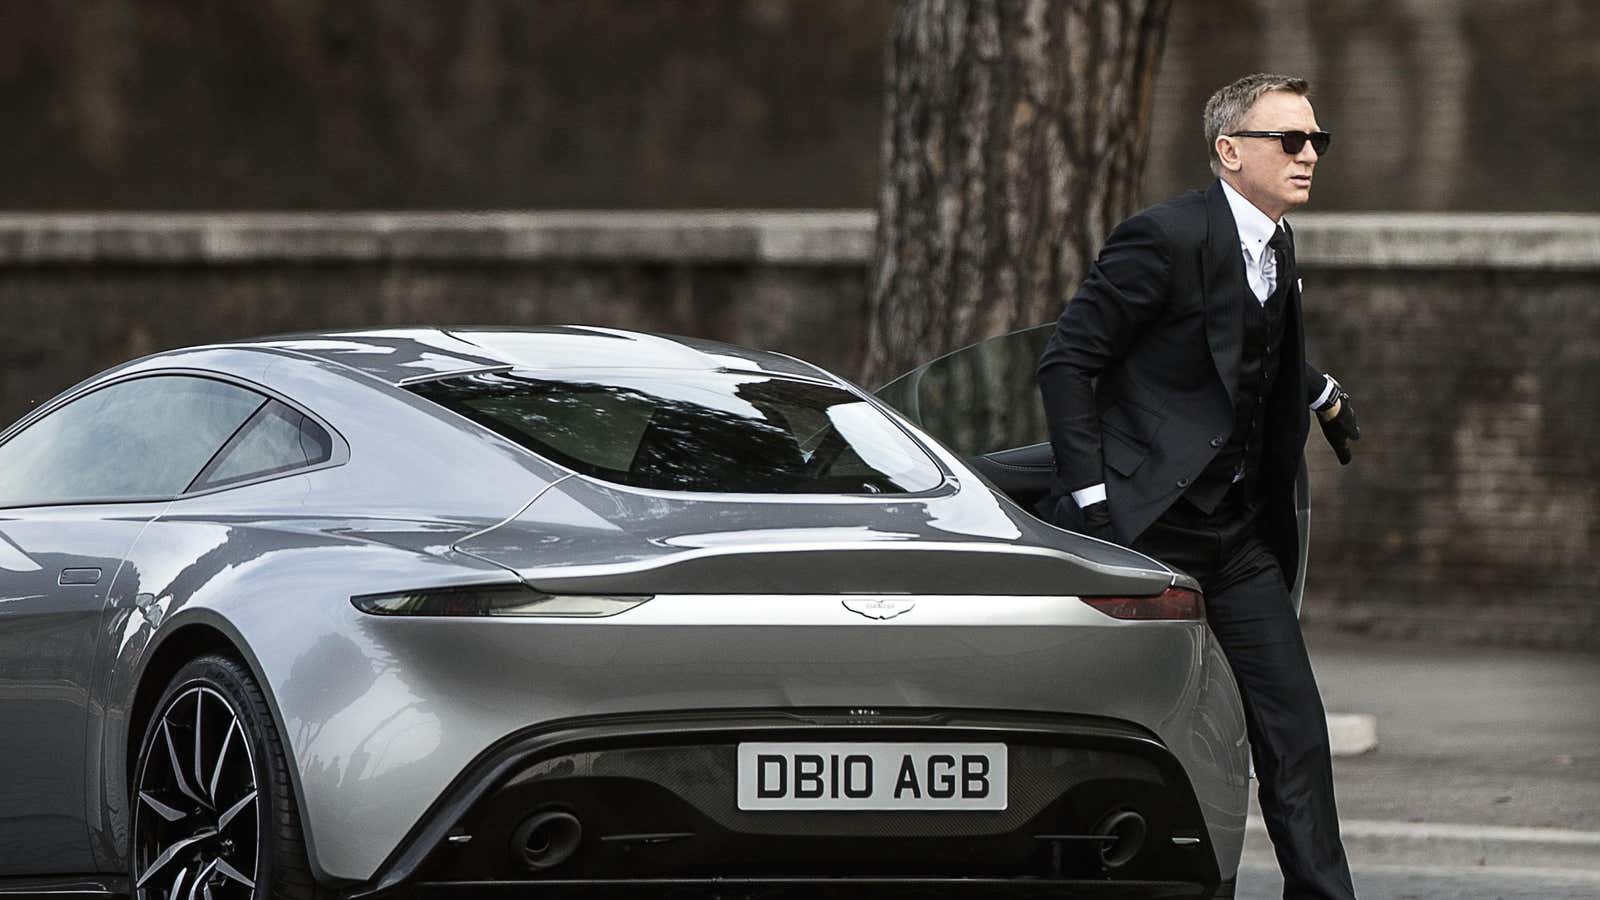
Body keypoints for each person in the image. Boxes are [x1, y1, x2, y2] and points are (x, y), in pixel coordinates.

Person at [1035, 73, 1362, 899]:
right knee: (1122, 730)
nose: (1309, 154)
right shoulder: (1164, 236)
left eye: (1316, 139)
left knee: (1296, 733)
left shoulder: (1277, 245)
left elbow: (1240, 350)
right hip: (1148, 529)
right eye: (1290, 140)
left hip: (1237, 537)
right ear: (1229, 152)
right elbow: (1070, 361)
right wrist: (1092, 503)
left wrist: (1317, 390)